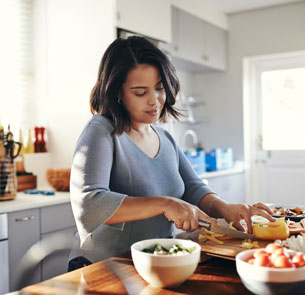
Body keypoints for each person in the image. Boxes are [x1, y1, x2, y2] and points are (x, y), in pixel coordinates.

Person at [68, 36, 274, 271]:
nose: (155, 101)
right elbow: (89, 203)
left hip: (153, 263)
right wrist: (165, 204)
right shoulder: (100, 131)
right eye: (140, 92)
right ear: (117, 92)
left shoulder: (163, 136)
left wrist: (224, 208)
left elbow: (193, 188)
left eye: (159, 88)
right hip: (104, 265)